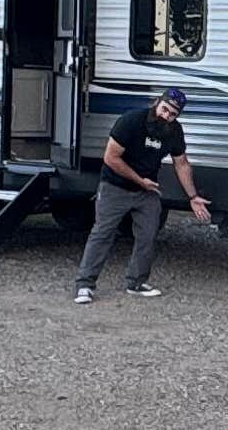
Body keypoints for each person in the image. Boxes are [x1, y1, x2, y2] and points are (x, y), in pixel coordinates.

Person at [76, 89, 208, 301]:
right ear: (157, 102)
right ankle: (85, 285)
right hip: (115, 185)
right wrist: (139, 180)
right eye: (164, 109)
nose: (166, 116)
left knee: (147, 235)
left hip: (147, 190)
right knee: (102, 233)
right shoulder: (131, 121)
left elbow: (181, 164)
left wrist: (193, 197)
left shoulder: (174, 131)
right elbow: (111, 158)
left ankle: (136, 282)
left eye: (172, 114)